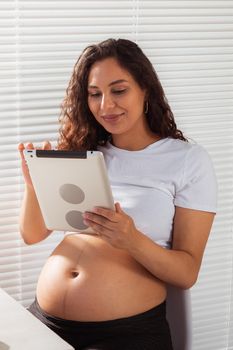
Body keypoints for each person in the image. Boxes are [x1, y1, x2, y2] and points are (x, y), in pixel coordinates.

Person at [18, 38, 217, 350]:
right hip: (46, 323)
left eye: (119, 90)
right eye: (95, 94)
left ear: (146, 89)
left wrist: (132, 240)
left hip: (123, 333)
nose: (105, 105)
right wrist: (34, 185)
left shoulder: (188, 160)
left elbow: (187, 272)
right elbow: (32, 234)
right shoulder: (84, 152)